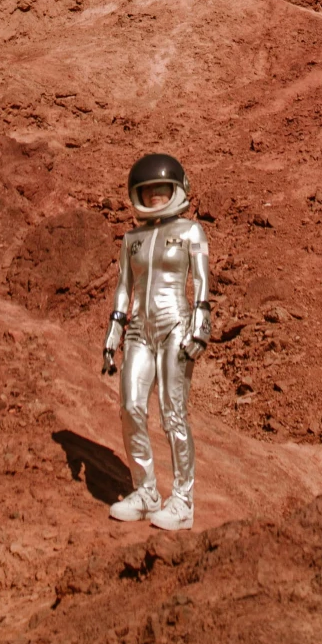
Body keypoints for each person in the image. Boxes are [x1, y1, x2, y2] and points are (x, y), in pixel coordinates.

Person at [100, 151, 210, 529]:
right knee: (130, 406)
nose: (156, 198)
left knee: (172, 411)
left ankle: (182, 501)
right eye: (149, 192)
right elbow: (122, 289)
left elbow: (202, 286)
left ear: (178, 190)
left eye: (163, 190)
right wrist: (112, 336)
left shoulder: (191, 232)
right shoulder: (131, 239)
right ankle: (145, 491)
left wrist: (200, 328)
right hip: (138, 331)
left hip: (174, 326)